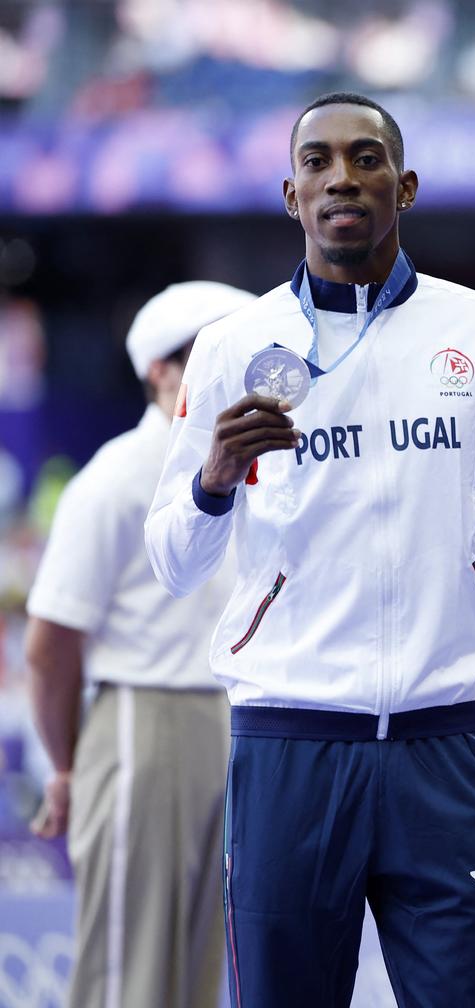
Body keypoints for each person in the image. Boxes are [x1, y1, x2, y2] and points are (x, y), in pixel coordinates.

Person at [143, 92, 475, 1008]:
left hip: (443, 750)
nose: (342, 177)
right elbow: (173, 562)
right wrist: (213, 479)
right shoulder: (233, 347)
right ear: (290, 192)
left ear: (406, 185)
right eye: (318, 162)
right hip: (288, 748)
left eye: (366, 158)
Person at [25, 280, 254, 1008]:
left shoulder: (257, 470)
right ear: (159, 370)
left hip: (234, 722)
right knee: (128, 970)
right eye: (204, 356)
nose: (225, 372)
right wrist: (67, 766)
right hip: (143, 720)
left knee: (195, 975)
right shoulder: (116, 477)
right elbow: (51, 642)